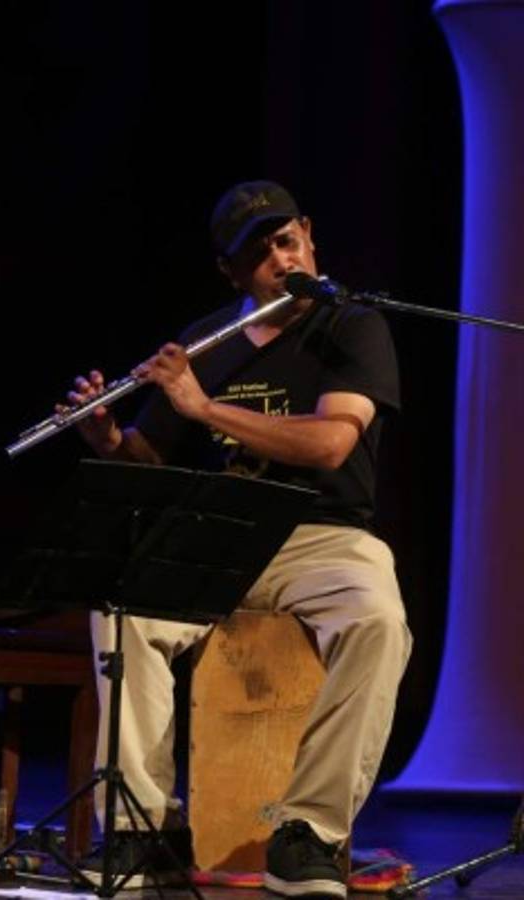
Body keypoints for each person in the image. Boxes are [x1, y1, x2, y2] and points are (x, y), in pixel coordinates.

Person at [64, 181, 412, 899]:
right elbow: (150, 463)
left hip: (324, 536)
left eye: (288, 242)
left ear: (310, 235)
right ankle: (146, 830)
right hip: (222, 533)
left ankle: (308, 833)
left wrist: (202, 404)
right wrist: (107, 438)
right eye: (259, 255)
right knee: (125, 609)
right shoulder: (205, 340)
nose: (281, 261)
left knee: (378, 620)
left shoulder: (351, 326)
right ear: (231, 272)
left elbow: (328, 445)